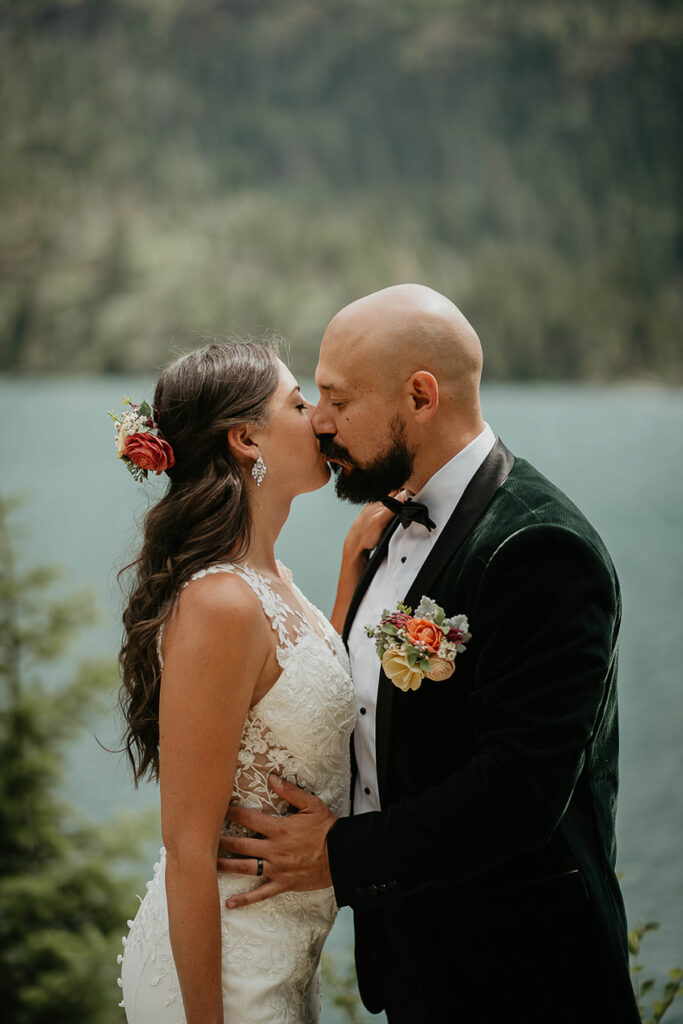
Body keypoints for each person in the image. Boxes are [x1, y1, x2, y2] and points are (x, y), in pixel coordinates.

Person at [217, 285, 641, 1024]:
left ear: (419, 395)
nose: (317, 422)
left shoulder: (539, 547)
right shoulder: (389, 525)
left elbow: (519, 791)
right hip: (416, 966)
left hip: (527, 976)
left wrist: (338, 855)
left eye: (336, 399)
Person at [115, 340, 392, 1024]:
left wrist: (350, 576)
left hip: (282, 953)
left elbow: (294, 696)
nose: (321, 420)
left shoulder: (274, 585)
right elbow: (186, 850)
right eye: (298, 404)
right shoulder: (221, 604)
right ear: (245, 439)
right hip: (225, 969)